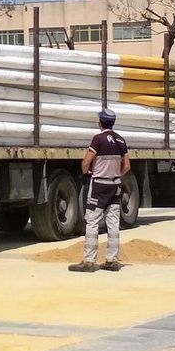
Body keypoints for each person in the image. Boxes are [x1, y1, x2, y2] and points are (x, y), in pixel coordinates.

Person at [71, 109, 128, 273]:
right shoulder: (121, 140)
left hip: (98, 186)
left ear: (100, 122)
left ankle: (89, 261)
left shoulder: (98, 139)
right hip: (114, 185)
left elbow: (85, 162)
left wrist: (87, 174)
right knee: (113, 223)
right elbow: (127, 166)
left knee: (92, 221)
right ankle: (112, 260)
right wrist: (116, 175)